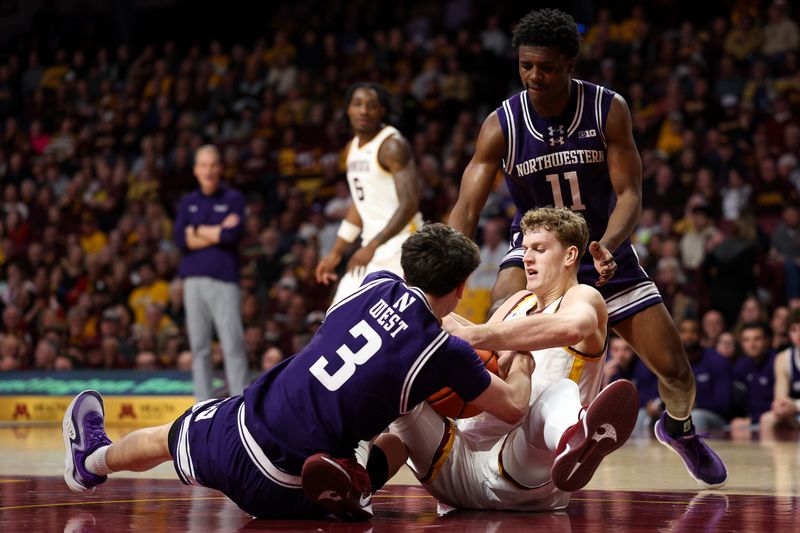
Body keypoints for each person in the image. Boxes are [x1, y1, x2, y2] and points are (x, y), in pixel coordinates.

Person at [62, 223, 535, 521]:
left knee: (166, 436)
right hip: (289, 487)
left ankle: (91, 463)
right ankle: (359, 483)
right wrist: (521, 359)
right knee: (404, 430)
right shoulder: (444, 352)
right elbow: (513, 406)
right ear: (459, 287)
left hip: (238, 436)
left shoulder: (371, 285)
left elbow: (417, 308)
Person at [447, 8, 726, 488]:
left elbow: (632, 195)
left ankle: (678, 429)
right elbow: (466, 208)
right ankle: (501, 437)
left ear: (570, 63)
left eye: (547, 67)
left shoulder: (606, 109)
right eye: (526, 66)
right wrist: (448, 267)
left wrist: (609, 246)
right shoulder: (502, 124)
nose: (535, 76)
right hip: (535, 247)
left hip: (603, 251)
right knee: (503, 326)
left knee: (676, 372)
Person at [385, 207, 638, 511]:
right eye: (525, 249)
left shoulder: (583, 297)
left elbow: (572, 326)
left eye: (539, 249)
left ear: (570, 256)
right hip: (454, 467)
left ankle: (577, 439)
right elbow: (482, 337)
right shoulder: (519, 301)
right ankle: (356, 476)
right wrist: (436, 318)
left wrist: (472, 335)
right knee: (397, 383)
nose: (527, 258)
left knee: (559, 393)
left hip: (522, 473)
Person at [315, 82, 423, 304]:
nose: (364, 110)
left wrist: (372, 245)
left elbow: (410, 203)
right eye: (358, 104)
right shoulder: (351, 148)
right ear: (348, 109)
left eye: (371, 105)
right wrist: (336, 252)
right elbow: (360, 202)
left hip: (402, 247)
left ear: (382, 110)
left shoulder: (392, 145)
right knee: (337, 316)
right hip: (373, 248)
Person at [173, 145, 248, 400]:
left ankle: (240, 402)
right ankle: (202, 404)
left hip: (225, 280)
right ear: (196, 170)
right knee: (199, 347)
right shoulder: (188, 202)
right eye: (203, 165)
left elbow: (230, 235)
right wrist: (214, 231)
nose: (209, 170)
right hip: (192, 281)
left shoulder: (234, 199)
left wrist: (197, 231)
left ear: (221, 168)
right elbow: (181, 240)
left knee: (232, 344)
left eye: (213, 164)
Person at [760, 309, 800, 433]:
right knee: (767, 419)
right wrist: (781, 406)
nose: (799, 334)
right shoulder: (783, 358)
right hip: (795, 412)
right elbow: (780, 397)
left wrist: (796, 406)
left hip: (797, 408)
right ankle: (776, 453)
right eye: (794, 330)